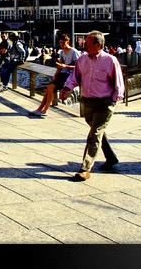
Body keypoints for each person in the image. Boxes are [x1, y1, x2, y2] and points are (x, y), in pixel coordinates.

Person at [59, 31, 125, 182]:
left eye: (88, 43)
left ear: (99, 45)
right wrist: (66, 89)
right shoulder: (82, 59)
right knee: (97, 131)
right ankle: (111, 158)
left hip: (104, 103)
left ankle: (85, 168)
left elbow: (118, 83)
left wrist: (113, 101)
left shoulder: (110, 60)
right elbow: (75, 77)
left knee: (94, 134)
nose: (84, 45)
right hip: (88, 102)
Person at [29, 34, 80, 117]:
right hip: (62, 74)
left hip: (69, 76)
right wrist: (56, 74)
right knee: (48, 89)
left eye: (64, 42)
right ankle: (39, 109)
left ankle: (45, 110)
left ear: (68, 42)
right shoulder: (62, 52)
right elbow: (60, 66)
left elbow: (79, 67)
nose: (62, 44)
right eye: (60, 43)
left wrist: (65, 66)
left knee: (50, 88)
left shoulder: (74, 52)